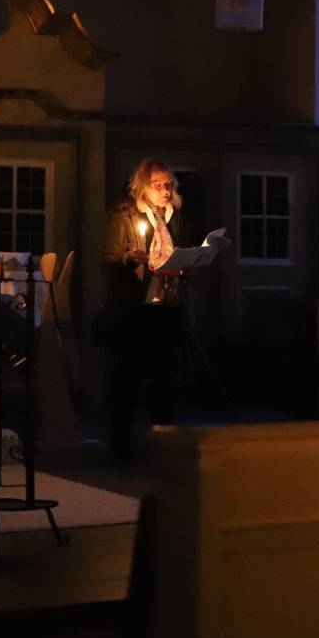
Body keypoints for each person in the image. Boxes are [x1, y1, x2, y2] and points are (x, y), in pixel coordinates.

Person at [97, 159, 187, 459]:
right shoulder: (124, 215)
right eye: (156, 184)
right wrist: (128, 259)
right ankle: (120, 446)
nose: (164, 190)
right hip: (134, 311)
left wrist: (189, 263)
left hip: (166, 309)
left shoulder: (174, 216)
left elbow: (177, 253)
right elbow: (108, 260)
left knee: (165, 379)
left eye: (168, 184)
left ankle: (164, 444)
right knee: (127, 379)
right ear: (142, 187)